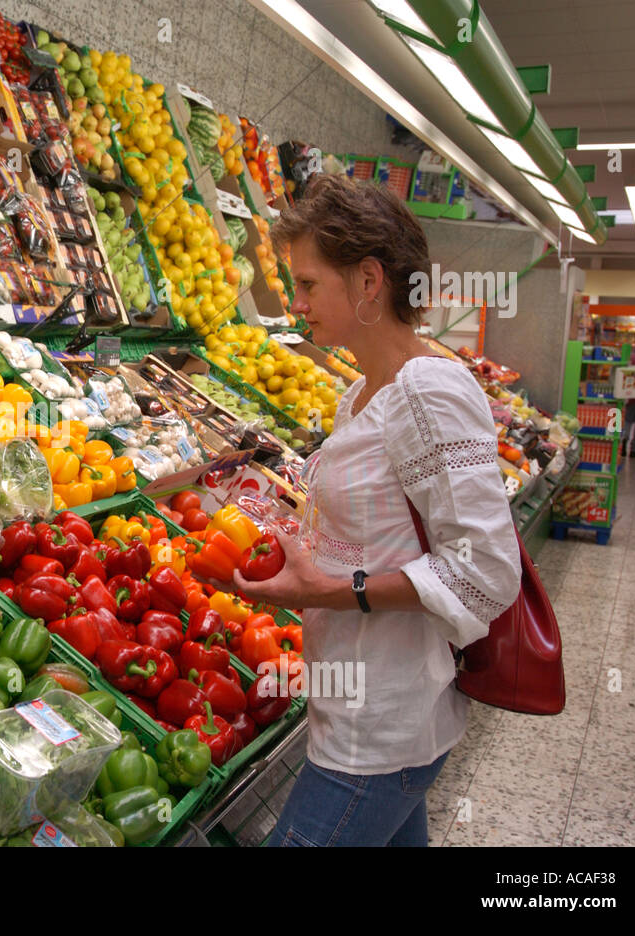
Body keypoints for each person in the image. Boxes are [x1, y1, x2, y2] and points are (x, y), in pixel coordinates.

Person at [197, 175, 521, 846]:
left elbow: (487, 570)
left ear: (369, 281)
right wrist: (298, 550)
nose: (296, 302)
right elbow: (377, 535)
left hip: (380, 726)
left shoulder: (429, 392)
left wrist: (332, 590)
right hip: (357, 708)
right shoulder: (363, 396)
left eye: (310, 285)